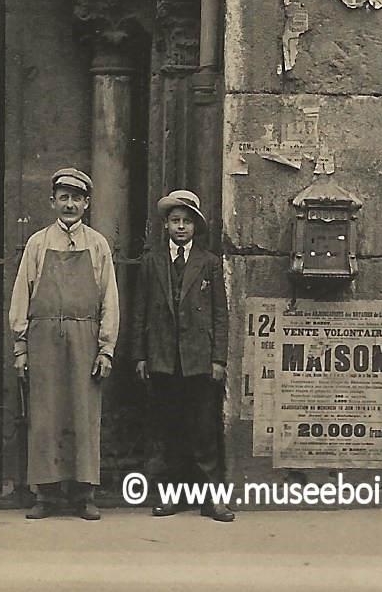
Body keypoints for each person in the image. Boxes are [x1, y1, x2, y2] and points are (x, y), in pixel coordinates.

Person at [9, 167, 119, 520]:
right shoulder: (38, 243)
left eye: (76, 198)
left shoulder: (98, 244)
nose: (69, 204)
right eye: (63, 197)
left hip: (84, 337)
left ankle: (84, 493)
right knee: (45, 415)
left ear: (86, 203)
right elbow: (21, 297)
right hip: (44, 340)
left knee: (84, 414)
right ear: (52, 201)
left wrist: (106, 348)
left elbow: (109, 300)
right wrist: (21, 347)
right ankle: (46, 494)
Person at [130, 189, 234, 522]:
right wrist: (140, 356)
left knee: (203, 431)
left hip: (198, 359)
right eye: (175, 221)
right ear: (165, 225)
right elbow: (139, 312)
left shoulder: (209, 263)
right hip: (162, 357)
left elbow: (220, 314)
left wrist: (219, 359)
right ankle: (170, 497)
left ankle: (212, 500)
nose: (180, 227)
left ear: (195, 227)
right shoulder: (152, 261)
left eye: (186, 221)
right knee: (168, 430)